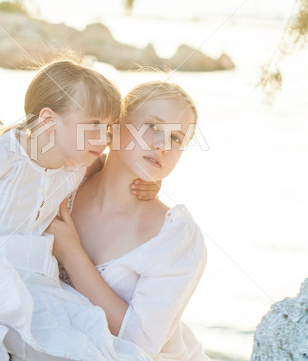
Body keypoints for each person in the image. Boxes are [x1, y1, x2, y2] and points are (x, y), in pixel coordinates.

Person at [0, 59, 156, 360]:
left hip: (28, 282)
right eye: (93, 125)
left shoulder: (78, 164)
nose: (103, 139)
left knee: (92, 346)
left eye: (108, 128)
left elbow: (113, 175)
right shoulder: (2, 156)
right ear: (49, 121)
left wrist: (146, 184)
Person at [47, 81, 210, 360]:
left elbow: (140, 344)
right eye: (153, 127)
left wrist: (72, 254)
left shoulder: (175, 237)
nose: (163, 146)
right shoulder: (64, 183)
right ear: (115, 126)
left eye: (176, 138)